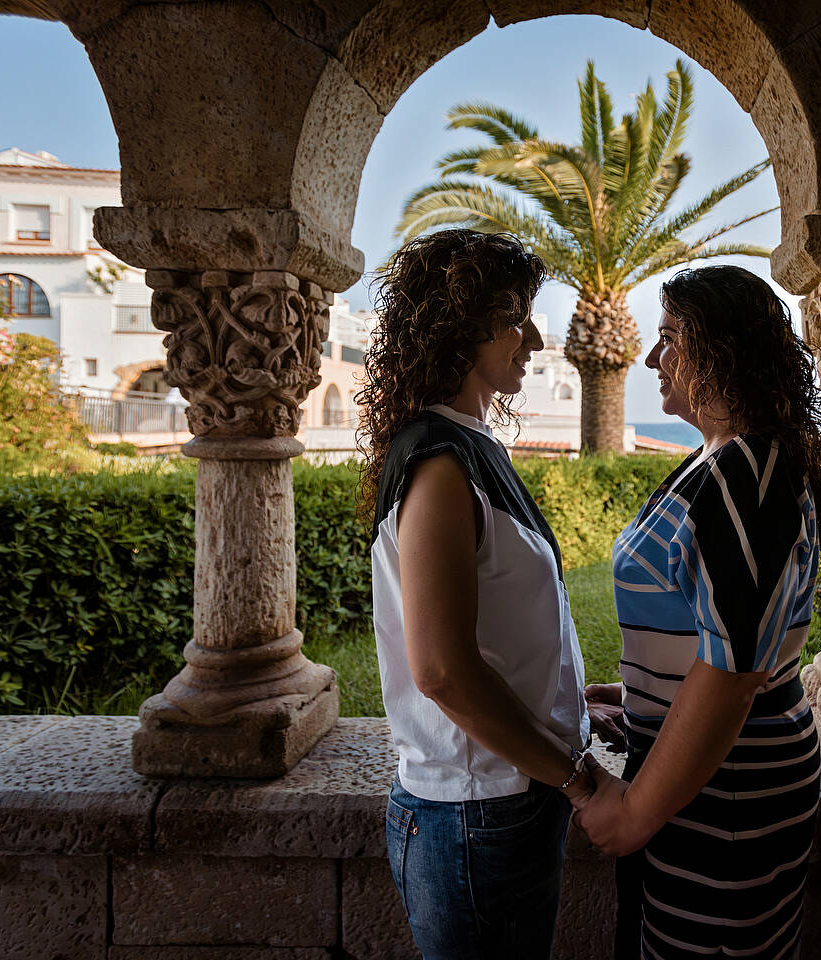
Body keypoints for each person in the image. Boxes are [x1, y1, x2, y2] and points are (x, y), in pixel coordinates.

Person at [575, 264, 821, 959]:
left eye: (669, 338)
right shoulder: (724, 460)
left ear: (722, 351)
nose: (650, 357)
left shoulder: (745, 474)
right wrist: (636, 696)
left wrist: (633, 814)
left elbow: (732, 671)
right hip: (702, 775)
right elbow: (716, 630)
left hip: (726, 797)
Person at [359, 229, 595, 959]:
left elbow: (506, 625)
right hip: (475, 817)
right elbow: (442, 671)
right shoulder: (438, 465)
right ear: (460, 325)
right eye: (514, 316)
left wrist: (579, 699)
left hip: (503, 803)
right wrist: (579, 784)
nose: (531, 335)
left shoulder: (470, 446)